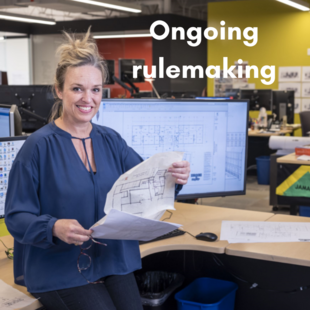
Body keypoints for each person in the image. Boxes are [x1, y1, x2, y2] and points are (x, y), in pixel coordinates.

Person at [5, 28, 190, 310]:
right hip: (59, 267)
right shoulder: (38, 147)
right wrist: (53, 226)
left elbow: (146, 185)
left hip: (111, 258)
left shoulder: (111, 140)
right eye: (77, 88)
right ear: (59, 90)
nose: (87, 99)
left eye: (95, 89)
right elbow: (17, 217)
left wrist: (174, 177)